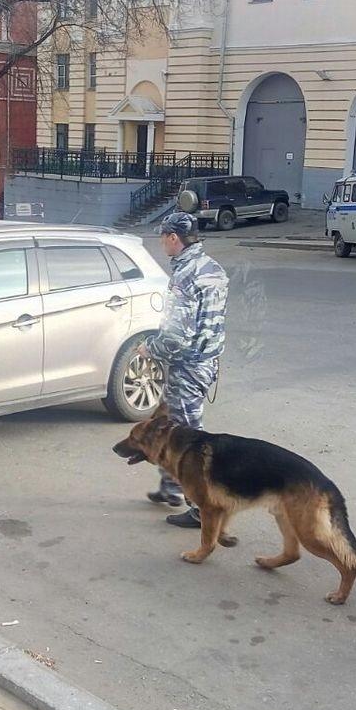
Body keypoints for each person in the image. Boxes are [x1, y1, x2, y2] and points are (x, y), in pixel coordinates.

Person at [139, 211, 229, 529]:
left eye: (163, 236)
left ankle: (200, 507)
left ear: (174, 238)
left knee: (189, 440)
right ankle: (172, 486)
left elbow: (178, 333)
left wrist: (151, 347)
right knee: (169, 423)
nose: (161, 242)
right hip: (207, 362)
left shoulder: (185, 276)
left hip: (189, 366)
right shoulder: (211, 268)